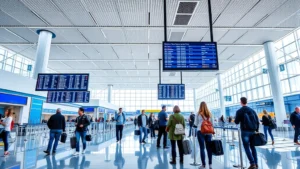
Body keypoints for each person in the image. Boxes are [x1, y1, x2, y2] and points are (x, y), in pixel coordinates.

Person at [235, 97, 259, 169]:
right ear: (246, 102)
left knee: (246, 147)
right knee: (253, 147)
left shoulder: (239, 111)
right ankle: (256, 163)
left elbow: (236, 122)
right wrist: (256, 130)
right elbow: (257, 121)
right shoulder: (252, 110)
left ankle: (252, 163)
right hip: (252, 131)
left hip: (245, 131)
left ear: (241, 102)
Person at [194, 102, 213, 169]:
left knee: (202, 148)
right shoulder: (209, 114)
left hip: (200, 131)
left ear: (200, 106)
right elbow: (212, 123)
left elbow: (195, 124)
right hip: (209, 132)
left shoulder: (198, 114)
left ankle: (203, 165)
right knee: (209, 148)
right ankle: (210, 164)